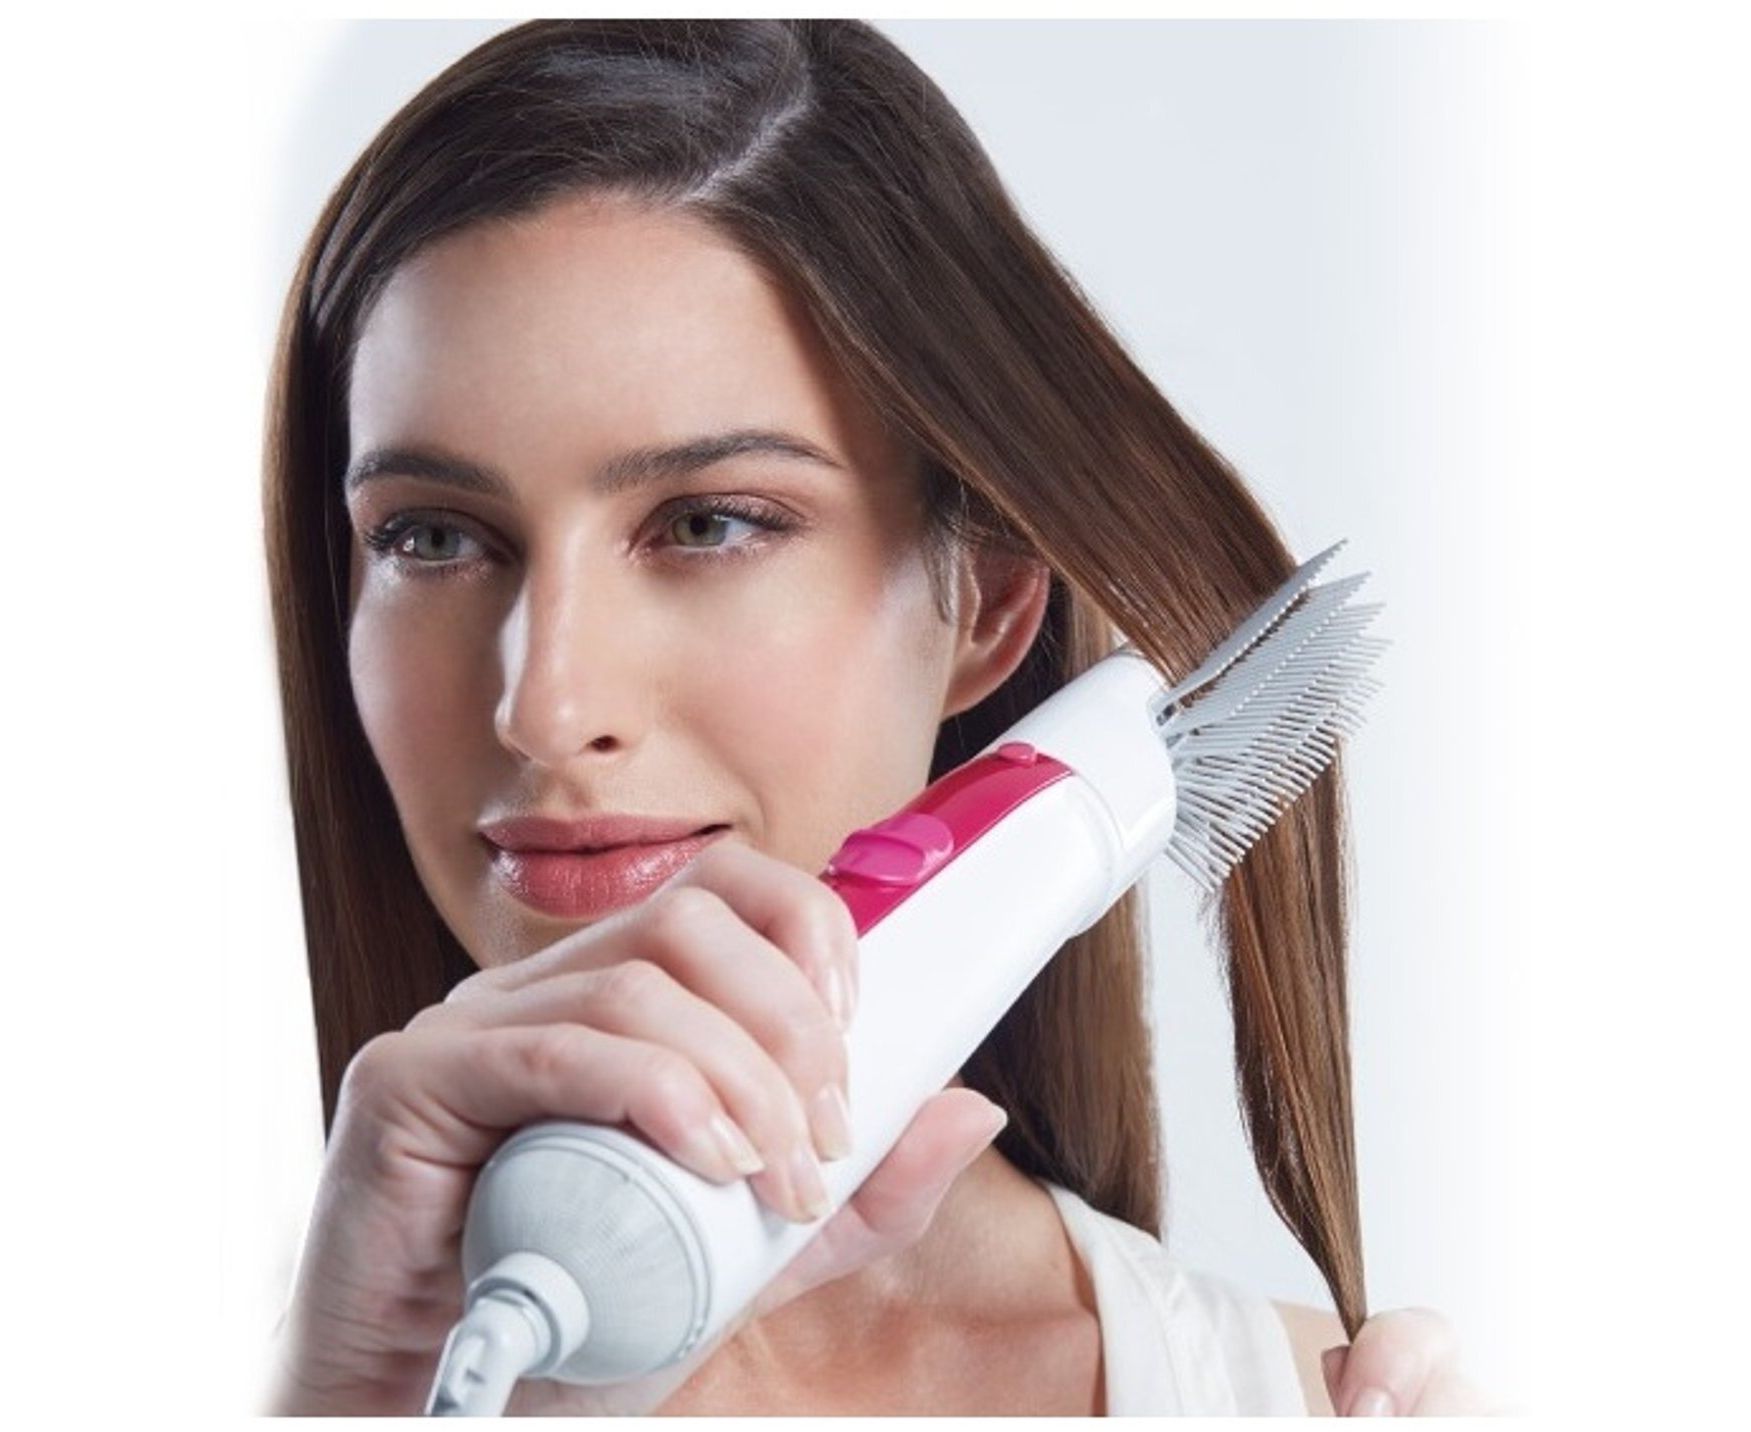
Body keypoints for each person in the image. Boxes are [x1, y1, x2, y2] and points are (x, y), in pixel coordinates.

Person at [261, 18, 1496, 1415]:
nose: (546, 705)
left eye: (710, 523)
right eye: (430, 537)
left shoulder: (1280, 1398)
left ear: (986, 603)